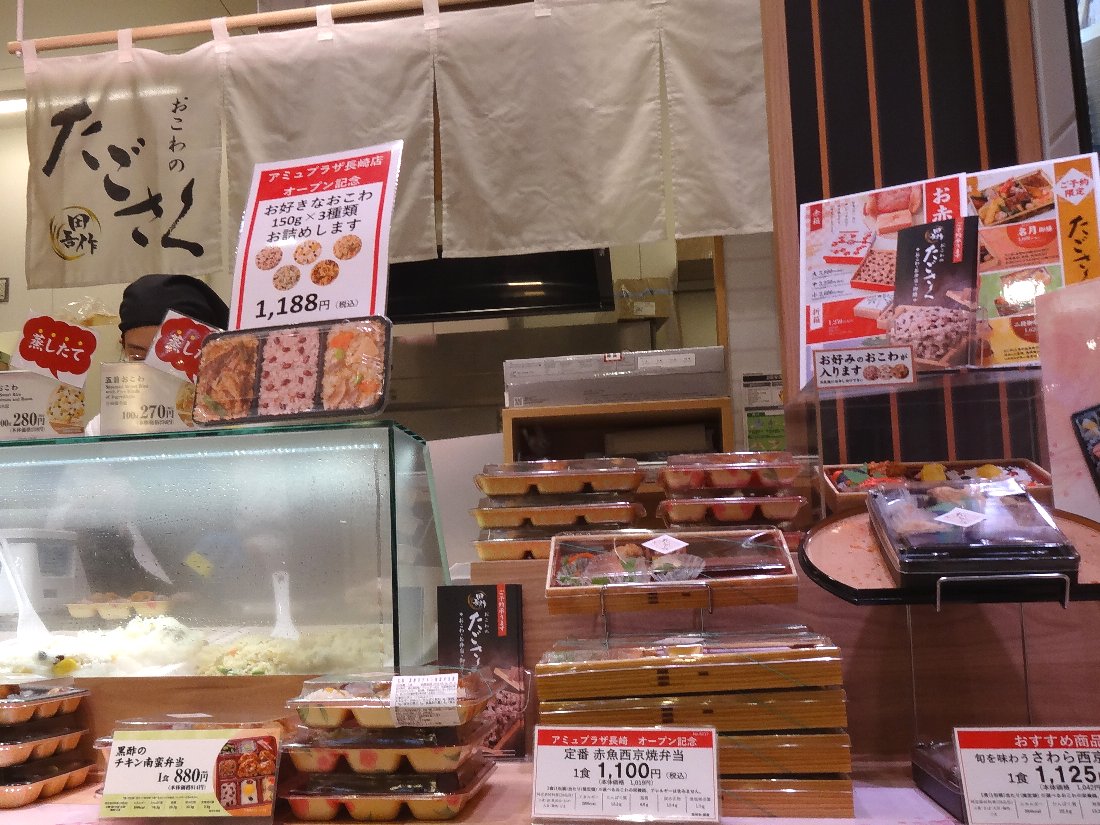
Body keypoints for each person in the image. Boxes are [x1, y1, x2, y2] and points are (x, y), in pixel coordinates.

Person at [85, 274, 229, 435]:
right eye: (139, 358)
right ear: (123, 347)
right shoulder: (103, 429)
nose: (153, 372)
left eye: (170, 360)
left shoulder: (231, 423)